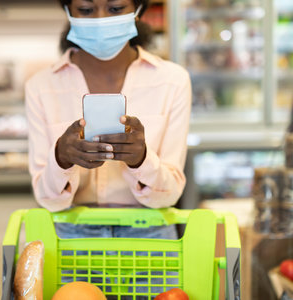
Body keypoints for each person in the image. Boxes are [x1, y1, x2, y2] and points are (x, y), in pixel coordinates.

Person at [25, 0, 192, 239]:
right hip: (71, 237)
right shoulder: (41, 87)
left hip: (151, 237)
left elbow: (169, 195)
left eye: (115, 9)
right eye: (85, 10)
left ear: (138, 10)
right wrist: (61, 157)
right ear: (67, 11)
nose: (100, 19)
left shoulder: (173, 81)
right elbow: (47, 199)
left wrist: (142, 160)